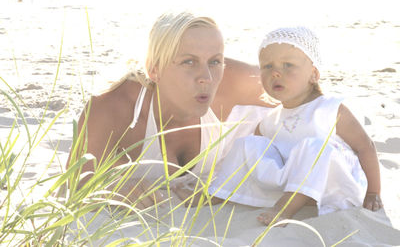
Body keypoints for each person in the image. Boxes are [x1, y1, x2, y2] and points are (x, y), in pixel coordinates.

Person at [66, 11, 274, 209]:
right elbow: (74, 187)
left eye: (215, 61)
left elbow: (299, 87)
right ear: (154, 69)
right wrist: (113, 191)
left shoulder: (230, 82)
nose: (207, 77)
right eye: (188, 61)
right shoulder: (110, 108)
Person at [208, 26, 383, 225]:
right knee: (247, 144)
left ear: (313, 74)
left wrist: (373, 191)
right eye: (267, 66)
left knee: (314, 147)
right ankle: (218, 193)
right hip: (289, 184)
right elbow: (254, 159)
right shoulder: (270, 120)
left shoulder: (330, 109)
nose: (275, 73)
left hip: (334, 185)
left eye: (288, 65)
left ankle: (284, 208)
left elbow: (365, 147)